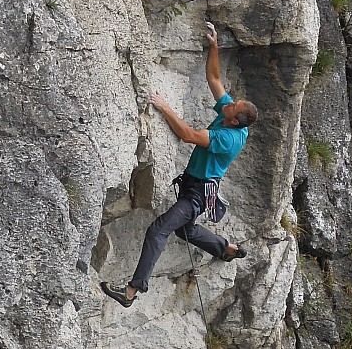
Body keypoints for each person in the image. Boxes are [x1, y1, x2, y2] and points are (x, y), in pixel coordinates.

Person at [101, 22, 258, 307]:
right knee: (184, 230)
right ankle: (226, 249)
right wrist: (214, 46)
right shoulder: (231, 116)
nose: (228, 104)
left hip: (196, 194)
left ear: (235, 120)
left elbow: (187, 136)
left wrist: (164, 107)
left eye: (233, 107)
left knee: (158, 230)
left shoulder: (228, 138)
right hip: (194, 185)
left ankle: (131, 291)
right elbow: (214, 79)